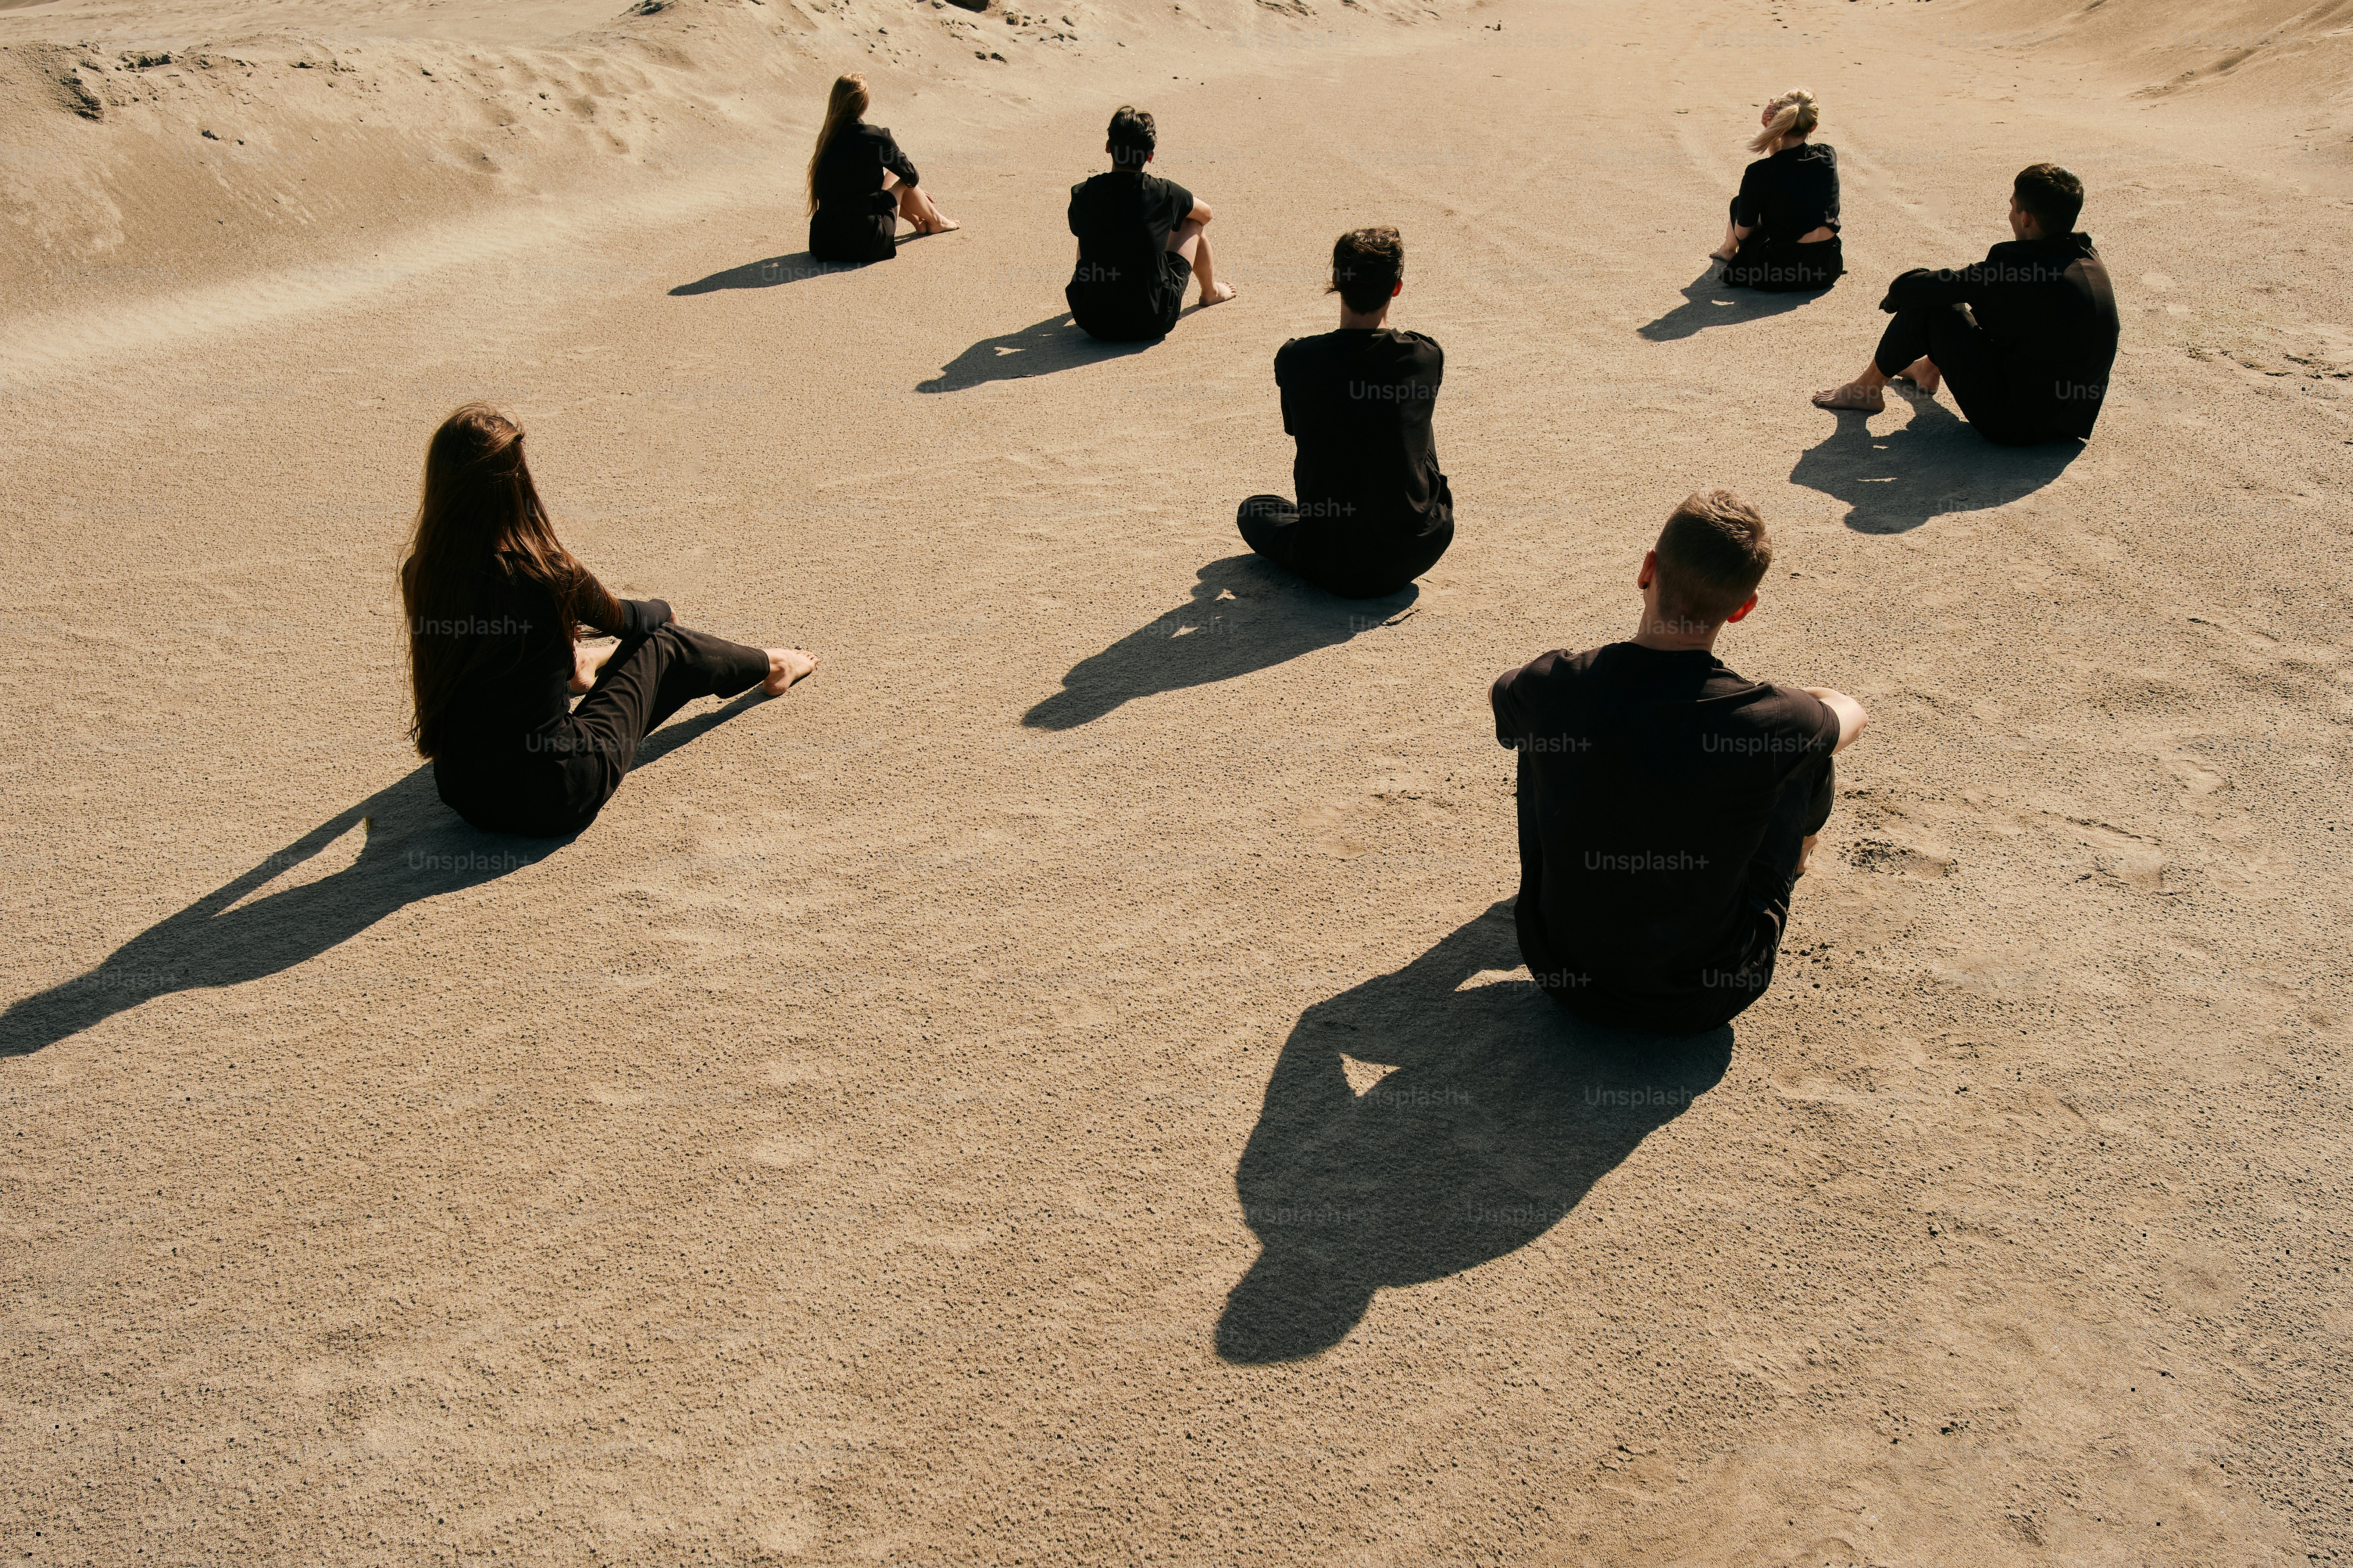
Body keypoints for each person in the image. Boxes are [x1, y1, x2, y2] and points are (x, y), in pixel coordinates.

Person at [1489, 490, 1870, 1034]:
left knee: (1542, 727)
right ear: (1743, 608)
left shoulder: (1553, 683)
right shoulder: (1772, 718)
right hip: (1707, 998)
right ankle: (1798, 855)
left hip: (1564, 976)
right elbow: (1851, 716)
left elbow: (1500, 694)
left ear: (1648, 570)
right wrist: (1803, 701)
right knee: (1805, 751)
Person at [401, 404, 817, 838]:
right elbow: (631, 620)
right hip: (557, 796)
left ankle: (574, 661)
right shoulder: (547, 574)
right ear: (515, 483)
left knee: (513, 644)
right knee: (666, 644)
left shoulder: (422, 573)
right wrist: (663, 608)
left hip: (464, 795)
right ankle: (775, 664)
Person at [1811, 163, 2120, 443]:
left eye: (2013, 208)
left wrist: (1899, 295)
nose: (2010, 214)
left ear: (2026, 218)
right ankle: (1926, 370)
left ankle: (1867, 388)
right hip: (2071, 421)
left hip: (2015, 427)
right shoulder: (2088, 260)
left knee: (1935, 304)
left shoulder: (2016, 270)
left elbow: (1910, 290)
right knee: (1989, 309)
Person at [1236, 226, 1452, 599]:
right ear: (1396, 287)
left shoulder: (1297, 359)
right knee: (1411, 418)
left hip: (1332, 562)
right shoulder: (1425, 354)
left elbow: (1299, 430)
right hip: (1418, 548)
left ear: (1336, 282)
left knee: (1254, 510)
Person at [1065, 104, 1235, 341]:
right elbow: (1206, 214)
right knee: (1193, 223)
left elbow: (1083, 235)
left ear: (1108, 148)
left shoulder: (1083, 193)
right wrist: (1165, 224)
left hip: (1093, 321)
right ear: (1150, 157)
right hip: (1153, 319)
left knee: (1089, 227)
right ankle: (1211, 291)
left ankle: (1097, 291)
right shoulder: (1164, 192)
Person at [807, 73, 957, 265]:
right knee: (899, 177)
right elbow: (911, 175)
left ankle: (919, 223)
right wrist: (909, 192)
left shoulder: (826, 139)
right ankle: (937, 220)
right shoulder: (875, 137)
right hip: (866, 243)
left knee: (874, 187)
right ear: (863, 103)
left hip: (825, 244)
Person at [1710, 89, 1842, 292]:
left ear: (1780, 124)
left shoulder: (1759, 173)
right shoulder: (1827, 156)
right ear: (1813, 127)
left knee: (1740, 204)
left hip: (1780, 274)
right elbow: (1786, 167)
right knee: (1784, 204)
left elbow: (1743, 234)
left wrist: (1771, 131)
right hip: (1826, 269)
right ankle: (1729, 250)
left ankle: (1728, 251)